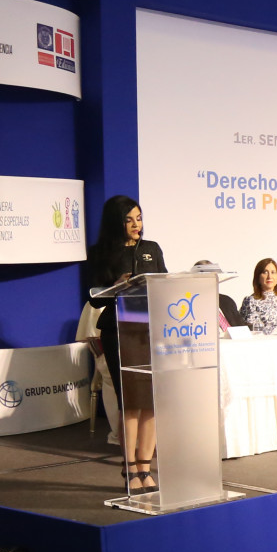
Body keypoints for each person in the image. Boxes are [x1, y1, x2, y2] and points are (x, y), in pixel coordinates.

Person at [85, 195, 165, 492]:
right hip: (119, 330)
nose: (136, 224)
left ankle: (145, 466)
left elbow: (164, 284)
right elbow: (94, 298)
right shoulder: (100, 253)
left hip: (149, 329)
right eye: (129, 219)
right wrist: (117, 285)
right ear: (115, 222)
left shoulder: (151, 248)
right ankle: (129, 467)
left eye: (139, 218)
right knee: (130, 402)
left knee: (151, 402)